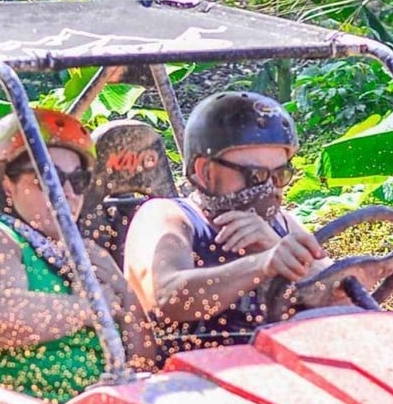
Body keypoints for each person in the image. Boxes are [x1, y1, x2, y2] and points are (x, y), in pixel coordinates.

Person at [0, 109, 156, 403]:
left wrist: (125, 297)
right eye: (47, 178)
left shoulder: (88, 254)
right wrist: (89, 309)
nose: (66, 191)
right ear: (6, 184)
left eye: (77, 180)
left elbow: (143, 355)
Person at [123, 91, 327, 349]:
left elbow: (344, 294)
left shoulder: (282, 224)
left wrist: (275, 246)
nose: (269, 189)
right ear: (205, 172)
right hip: (190, 381)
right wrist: (262, 264)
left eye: (279, 175)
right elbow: (166, 298)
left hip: (282, 374)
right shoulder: (168, 216)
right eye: (256, 175)